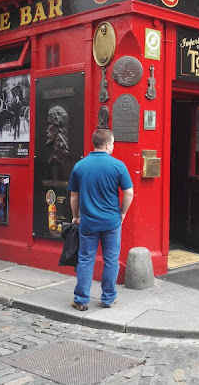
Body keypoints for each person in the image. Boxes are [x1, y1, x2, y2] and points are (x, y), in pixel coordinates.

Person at [68, 129, 134, 311]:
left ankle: (81, 299)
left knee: (86, 260)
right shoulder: (118, 166)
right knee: (111, 260)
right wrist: (122, 213)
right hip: (111, 222)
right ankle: (108, 298)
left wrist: (76, 216)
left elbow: (74, 196)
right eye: (112, 143)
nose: (113, 147)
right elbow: (129, 192)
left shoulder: (80, 166)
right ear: (107, 144)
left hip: (88, 223)